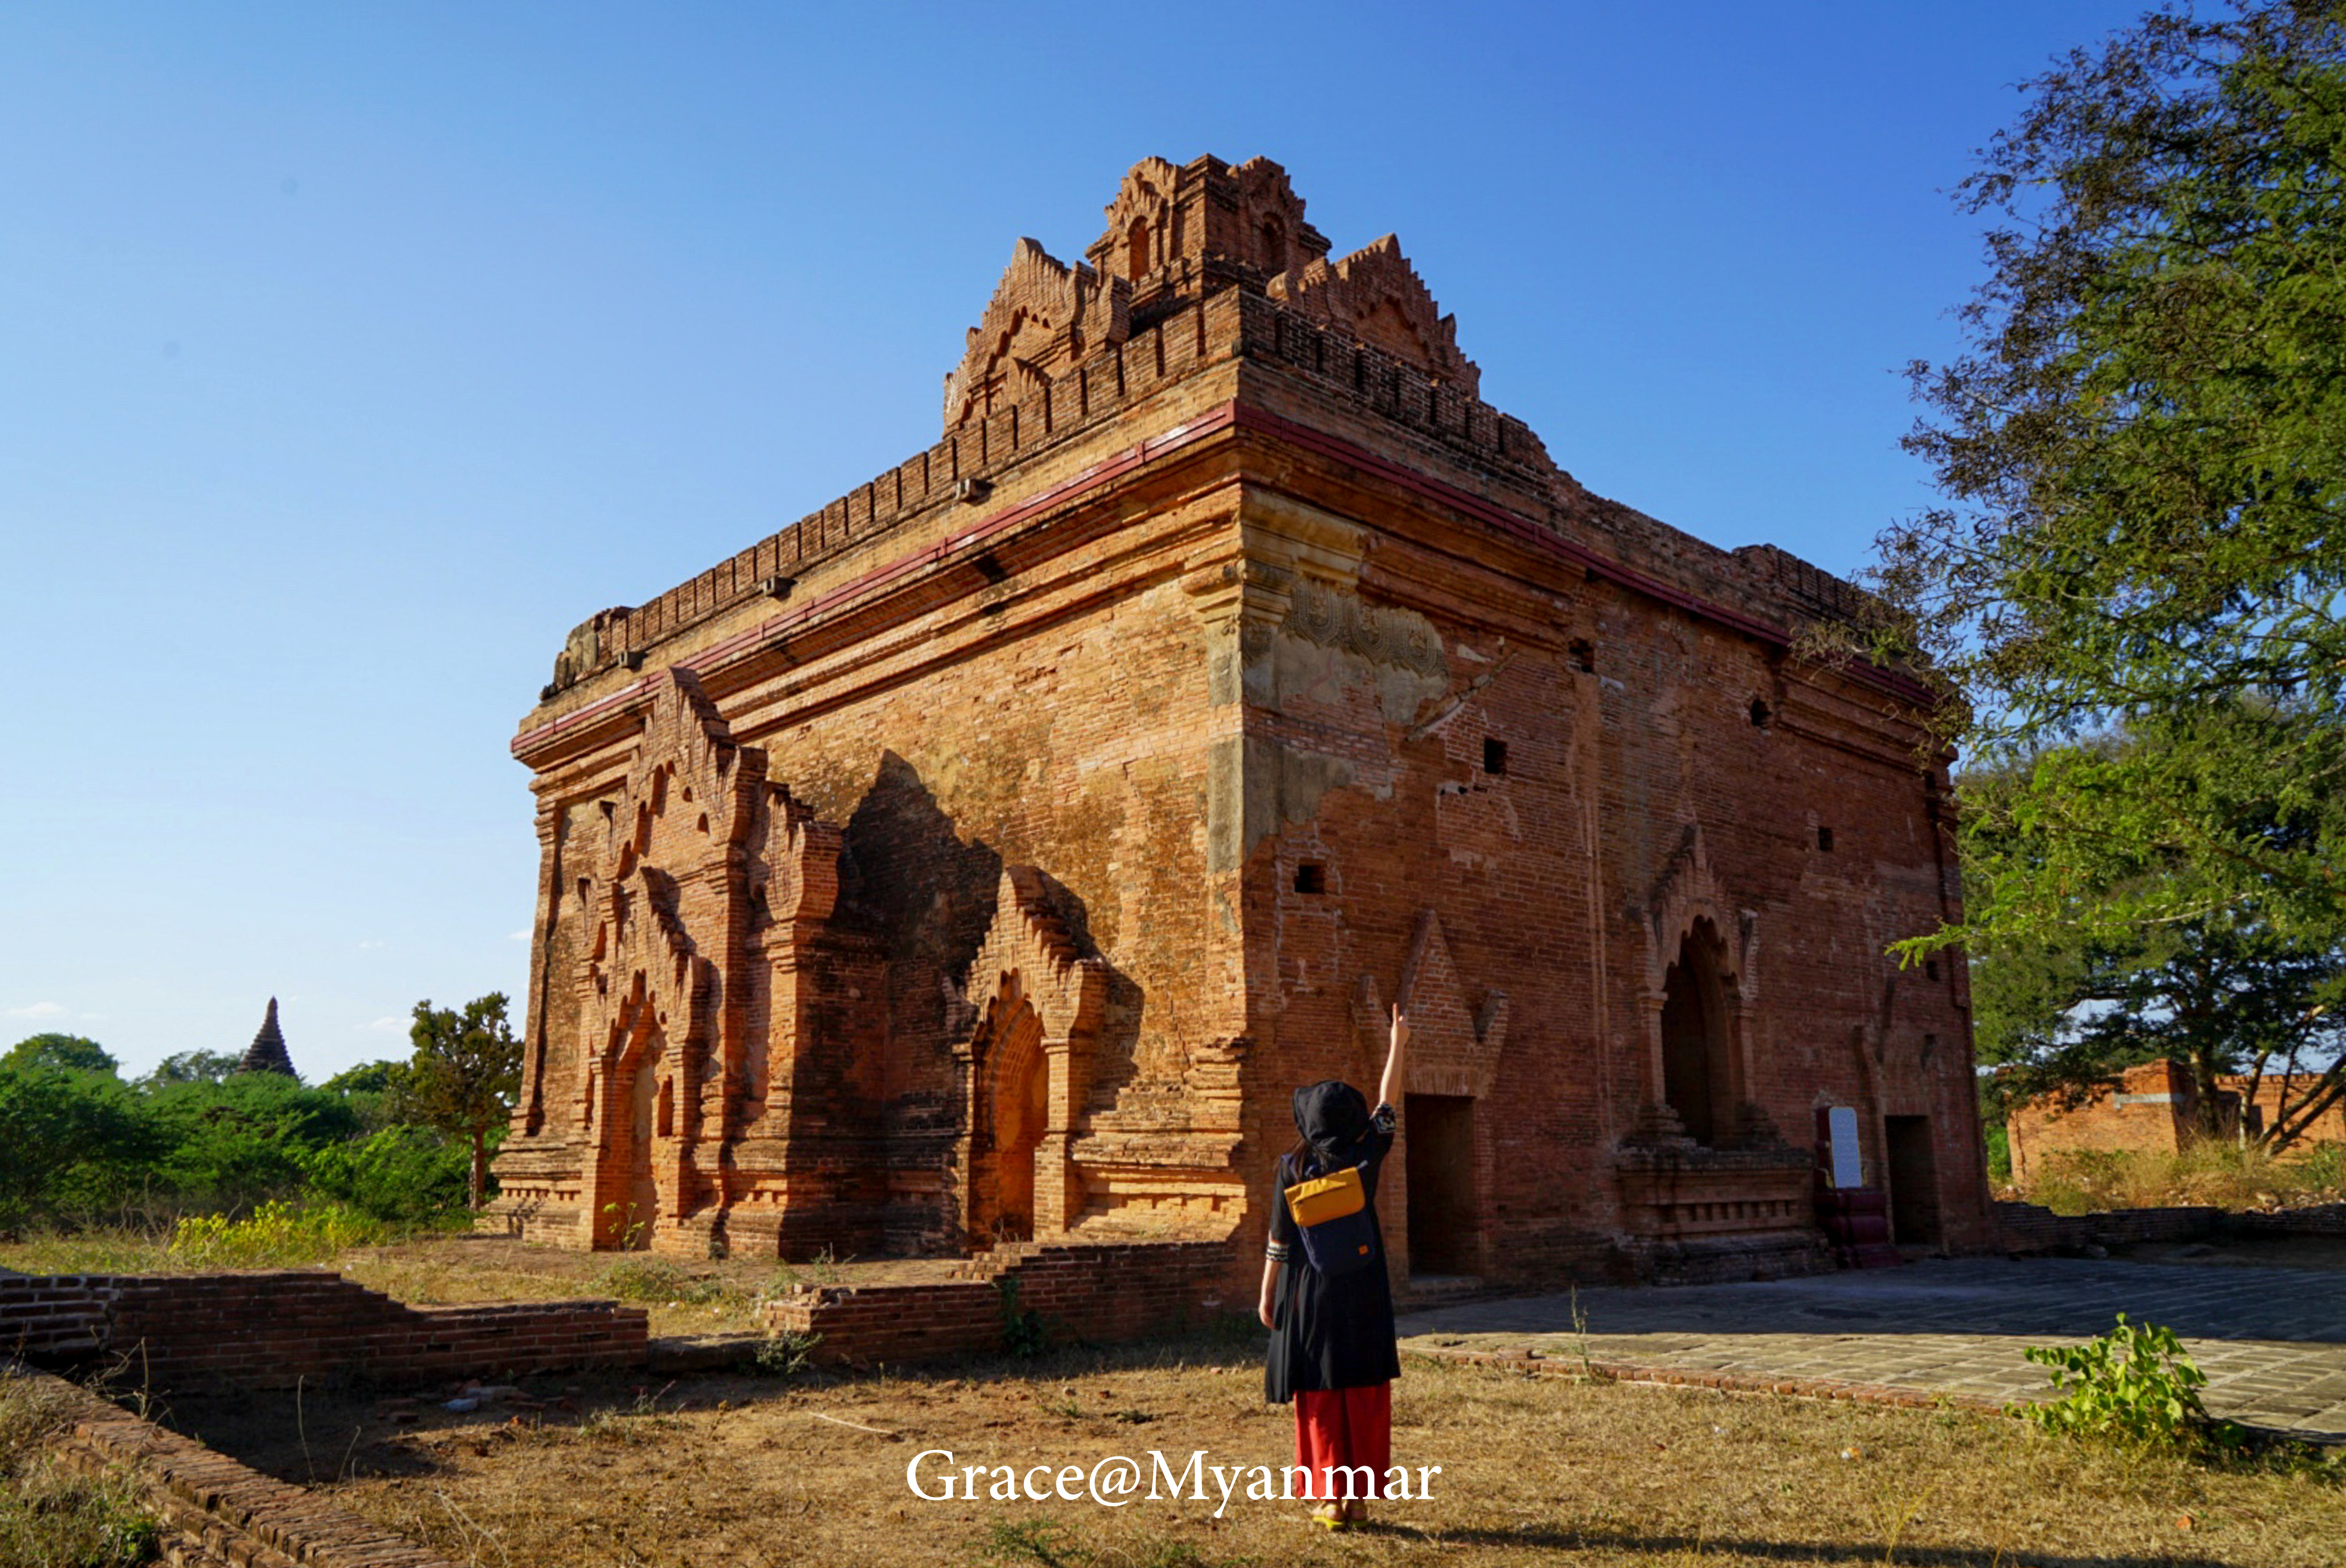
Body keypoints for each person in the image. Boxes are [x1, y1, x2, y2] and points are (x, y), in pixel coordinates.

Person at [1260, 1004, 1408, 1529]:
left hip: (1309, 1291)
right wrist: (1398, 1043)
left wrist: (1266, 1296)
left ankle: (1329, 1499)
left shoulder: (1292, 1166)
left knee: (1320, 1390)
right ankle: (1361, 1498)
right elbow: (1389, 1101)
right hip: (1363, 1286)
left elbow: (1278, 1240)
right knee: (1363, 1387)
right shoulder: (1365, 1156)